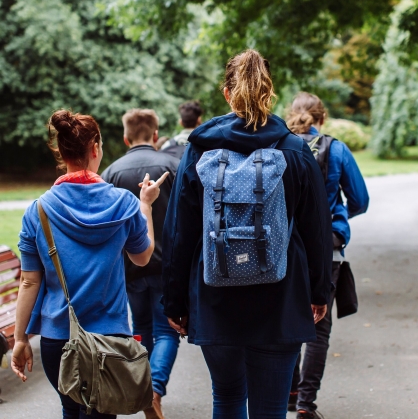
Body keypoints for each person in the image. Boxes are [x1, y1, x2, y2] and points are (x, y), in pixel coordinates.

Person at [161, 49, 333, 419]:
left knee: (226, 397)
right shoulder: (295, 151)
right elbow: (317, 229)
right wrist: (319, 292)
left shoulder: (199, 149)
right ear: (269, 94)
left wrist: (174, 301)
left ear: (227, 93)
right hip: (281, 298)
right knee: (271, 409)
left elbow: (179, 230)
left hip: (214, 298)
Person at [11, 110, 168, 419]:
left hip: (60, 338)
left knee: (71, 410)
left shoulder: (38, 211)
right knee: (103, 412)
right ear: (95, 148)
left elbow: (29, 282)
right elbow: (143, 256)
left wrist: (19, 339)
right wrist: (145, 206)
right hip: (111, 339)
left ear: (61, 151)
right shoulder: (124, 203)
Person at [286, 92, 369, 419]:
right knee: (320, 327)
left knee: (289, 320)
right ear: (322, 119)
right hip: (328, 247)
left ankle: (289, 392)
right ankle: (307, 403)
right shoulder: (336, 149)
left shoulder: (280, 147)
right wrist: (337, 216)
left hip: (288, 249)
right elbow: (360, 199)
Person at [101, 109, 180, 419]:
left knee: (141, 329)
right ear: (156, 135)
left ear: (125, 137)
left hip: (130, 267)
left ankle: (146, 388)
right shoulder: (174, 166)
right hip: (168, 266)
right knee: (168, 332)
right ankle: (155, 389)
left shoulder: (111, 173)